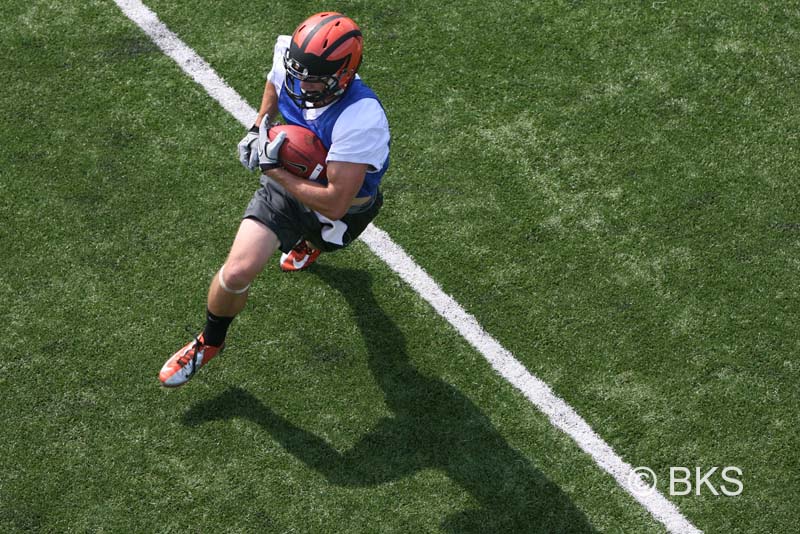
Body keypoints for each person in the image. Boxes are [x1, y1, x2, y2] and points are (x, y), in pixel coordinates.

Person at [159, 12, 390, 388]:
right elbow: (276, 82)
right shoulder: (290, 54)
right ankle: (209, 342)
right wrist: (258, 126)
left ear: (344, 75)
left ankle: (309, 243)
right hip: (285, 185)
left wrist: (273, 169)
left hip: (342, 208)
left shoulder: (361, 118)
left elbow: (334, 202)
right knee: (235, 272)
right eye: (299, 74)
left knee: (323, 239)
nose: (302, 86)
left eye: (313, 81)